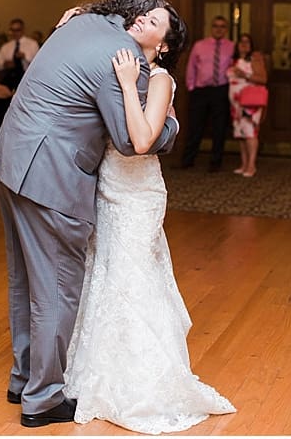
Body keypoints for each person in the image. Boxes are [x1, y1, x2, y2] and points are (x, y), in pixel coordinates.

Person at [0, 0, 181, 428]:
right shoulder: (123, 56)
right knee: (55, 287)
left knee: (24, 280)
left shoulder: (79, 23)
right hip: (49, 174)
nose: (145, 22)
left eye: (155, 20)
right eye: (145, 14)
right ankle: (42, 398)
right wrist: (171, 124)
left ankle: (23, 378)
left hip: (12, 159)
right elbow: (132, 141)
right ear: (130, 14)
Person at [65, 27, 235, 433]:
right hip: (106, 182)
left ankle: (143, 379)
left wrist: (128, 85)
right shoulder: (110, 65)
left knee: (134, 274)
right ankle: (100, 369)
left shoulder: (160, 79)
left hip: (139, 190)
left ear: (164, 45)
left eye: (151, 23)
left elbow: (142, 140)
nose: (137, 27)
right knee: (104, 272)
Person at [180, 15, 233, 172]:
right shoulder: (200, 45)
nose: (218, 29)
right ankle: (188, 160)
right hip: (201, 91)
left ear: (226, 29)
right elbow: (191, 66)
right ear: (211, 28)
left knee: (219, 127)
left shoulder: (231, 47)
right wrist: (191, 87)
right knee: (195, 126)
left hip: (221, 90)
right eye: (216, 26)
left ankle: (216, 162)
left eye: (222, 26)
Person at [227, 33, 267, 177]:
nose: (244, 45)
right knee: (240, 133)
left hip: (250, 103)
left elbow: (263, 79)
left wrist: (245, 75)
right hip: (236, 103)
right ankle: (244, 164)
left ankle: (251, 165)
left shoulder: (254, 59)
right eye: (241, 42)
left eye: (247, 42)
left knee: (250, 133)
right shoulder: (234, 60)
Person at [0, 18, 40, 91]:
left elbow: (38, 63)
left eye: (17, 30)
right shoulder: (6, 47)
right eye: (12, 30)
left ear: (23, 30)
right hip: (10, 78)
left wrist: (25, 57)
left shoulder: (32, 44)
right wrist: (5, 64)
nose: (15, 33)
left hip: (27, 79)